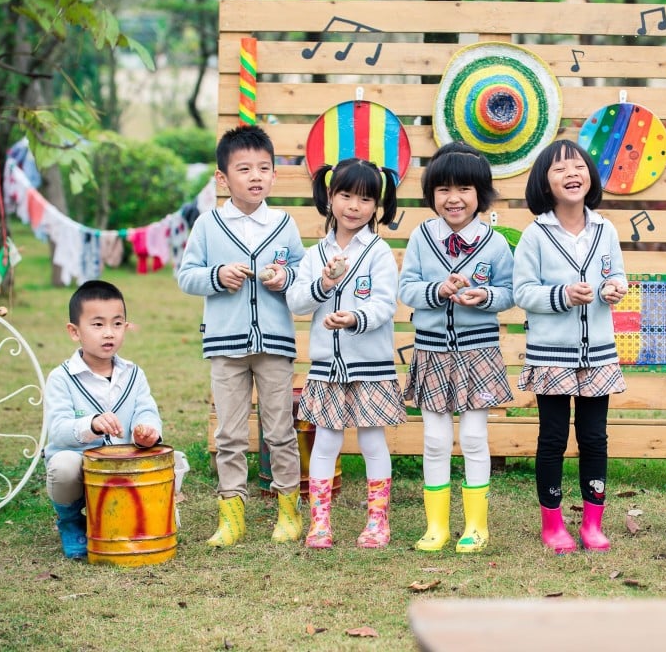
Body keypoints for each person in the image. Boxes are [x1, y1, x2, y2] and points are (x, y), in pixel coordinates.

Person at [177, 125, 305, 547]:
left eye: (264, 168)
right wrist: (217, 275)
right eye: (244, 168)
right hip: (225, 346)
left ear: (273, 175)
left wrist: (284, 277)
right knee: (229, 434)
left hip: (275, 344)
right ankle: (232, 513)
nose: (255, 176)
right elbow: (187, 276)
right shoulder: (209, 225)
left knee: (279, 429)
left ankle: (289, 511)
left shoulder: (283, 224)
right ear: (222, 178)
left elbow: (302, 275)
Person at [399, 142, 515, 553]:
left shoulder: (496, 243)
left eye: (464, 188)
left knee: (472, 436)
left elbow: (509, 291)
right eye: (444, 189)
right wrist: (436, 290)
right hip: (431, 353)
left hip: (478, 354)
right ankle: (436, 527)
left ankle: (476, 526)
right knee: (433, 438)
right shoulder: (421, 237)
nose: (454, 198)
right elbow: (407, 288)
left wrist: (485, 297)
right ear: (431, 194)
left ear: (480, 194)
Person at [513, 139, 628, 554]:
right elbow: (523, 291)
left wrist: (614, 288)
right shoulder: (535, 234)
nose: (572, 174)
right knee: (554, 437)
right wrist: (562, 295)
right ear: (544, 182)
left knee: (595, 437)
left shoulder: (605, 229)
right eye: (559, 169)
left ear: (591, 176)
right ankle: (553, 523)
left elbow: (618, 275)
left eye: (578, 166)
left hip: (598, 354)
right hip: (551, 356)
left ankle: (593, 522)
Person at [286, 157, 405, 549]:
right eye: (346, 195)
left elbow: (386, 305)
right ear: (330, 197)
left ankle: (377, 522)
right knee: (326, 442)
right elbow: (297, 301)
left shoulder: (378, 253)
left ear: (377, 206)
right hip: (326, 367)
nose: (354, 206)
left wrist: (354, 317)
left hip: (371, 367)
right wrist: (323, 283)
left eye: (366, 199)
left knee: (373, 442)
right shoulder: (314, 254)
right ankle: (320, 523)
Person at [42, 280, 162, 559]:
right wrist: (91, 424)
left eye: (117, 324)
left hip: (120, 465)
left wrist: (147, 431)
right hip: (80, 463)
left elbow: (146, 409)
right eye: (97, 325)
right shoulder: (62, 378)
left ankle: (122, 518)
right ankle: (71, 521)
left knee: (167, 459)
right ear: (74, 331)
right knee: (63, 466)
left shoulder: (133, 374)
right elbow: (58, 431)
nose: (109, 333)